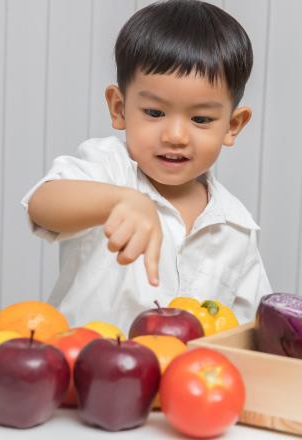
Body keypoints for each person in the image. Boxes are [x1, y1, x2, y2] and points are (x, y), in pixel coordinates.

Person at [22, 0, 272, 332]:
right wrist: (120, 201)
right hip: (83, 372)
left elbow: (250, 330)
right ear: (120, 108)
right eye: (154, 113)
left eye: (200, 119)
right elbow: (43, 204)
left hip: (181, 380)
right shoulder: (109, 169)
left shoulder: (235, 227)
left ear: (232, 125)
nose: (175, 136)